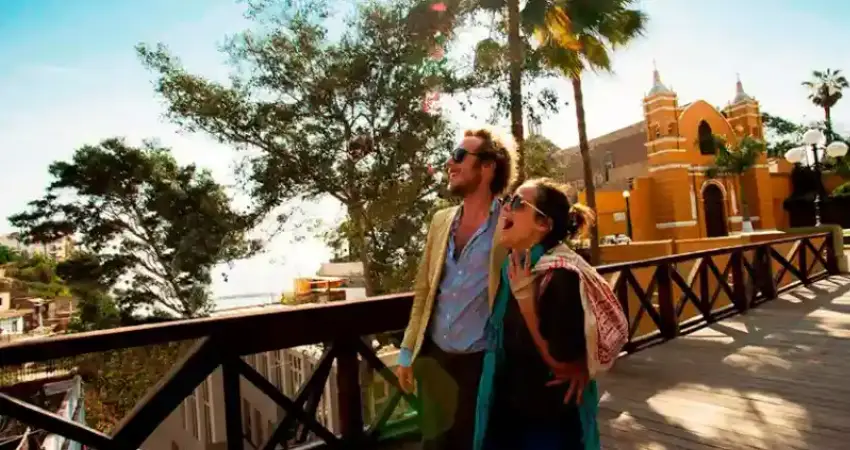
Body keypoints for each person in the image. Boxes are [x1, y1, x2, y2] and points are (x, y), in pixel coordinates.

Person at [473, 178, 628, 450]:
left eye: (518, 203)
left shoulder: (560, 276)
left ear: (543, 224)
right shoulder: (512, 267)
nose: (506, 207)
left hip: (547, 422)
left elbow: (562, 364)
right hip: (507, 412)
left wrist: (526, 302)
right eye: (508, 200)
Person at [395, 127, 517, 450]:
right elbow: (424, 290)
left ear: (488, 167)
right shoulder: (440, 221)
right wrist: (407, 352)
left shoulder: (508, 224)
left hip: (479, 367)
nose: (450, 162)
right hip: (433, 361)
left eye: (460, 156)